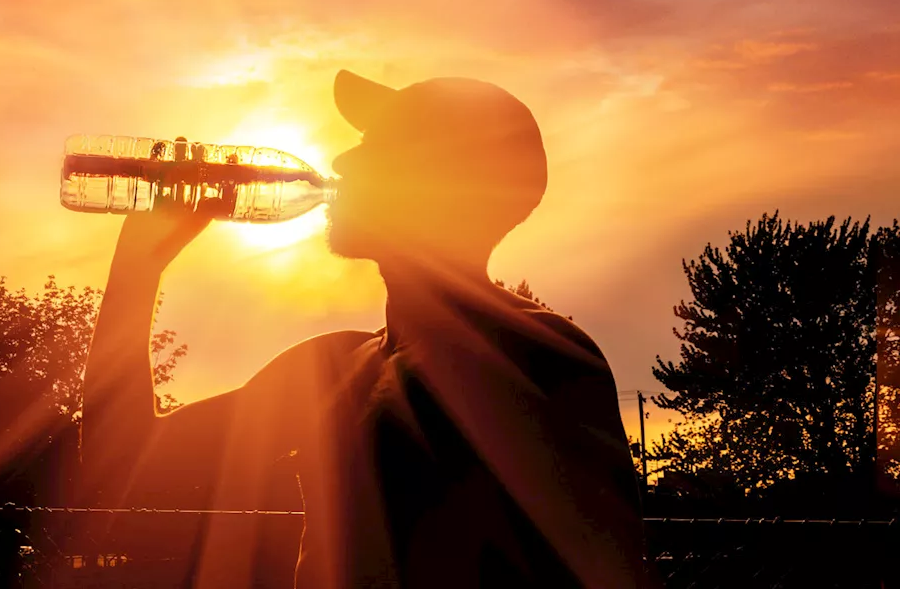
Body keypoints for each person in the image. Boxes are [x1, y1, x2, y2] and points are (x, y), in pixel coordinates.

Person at [79, 70, 654, 588]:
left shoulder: (533, 355)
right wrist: (138, 268)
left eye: (376, 147)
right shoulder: (335, 368)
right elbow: (125, 461)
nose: (341, 164)